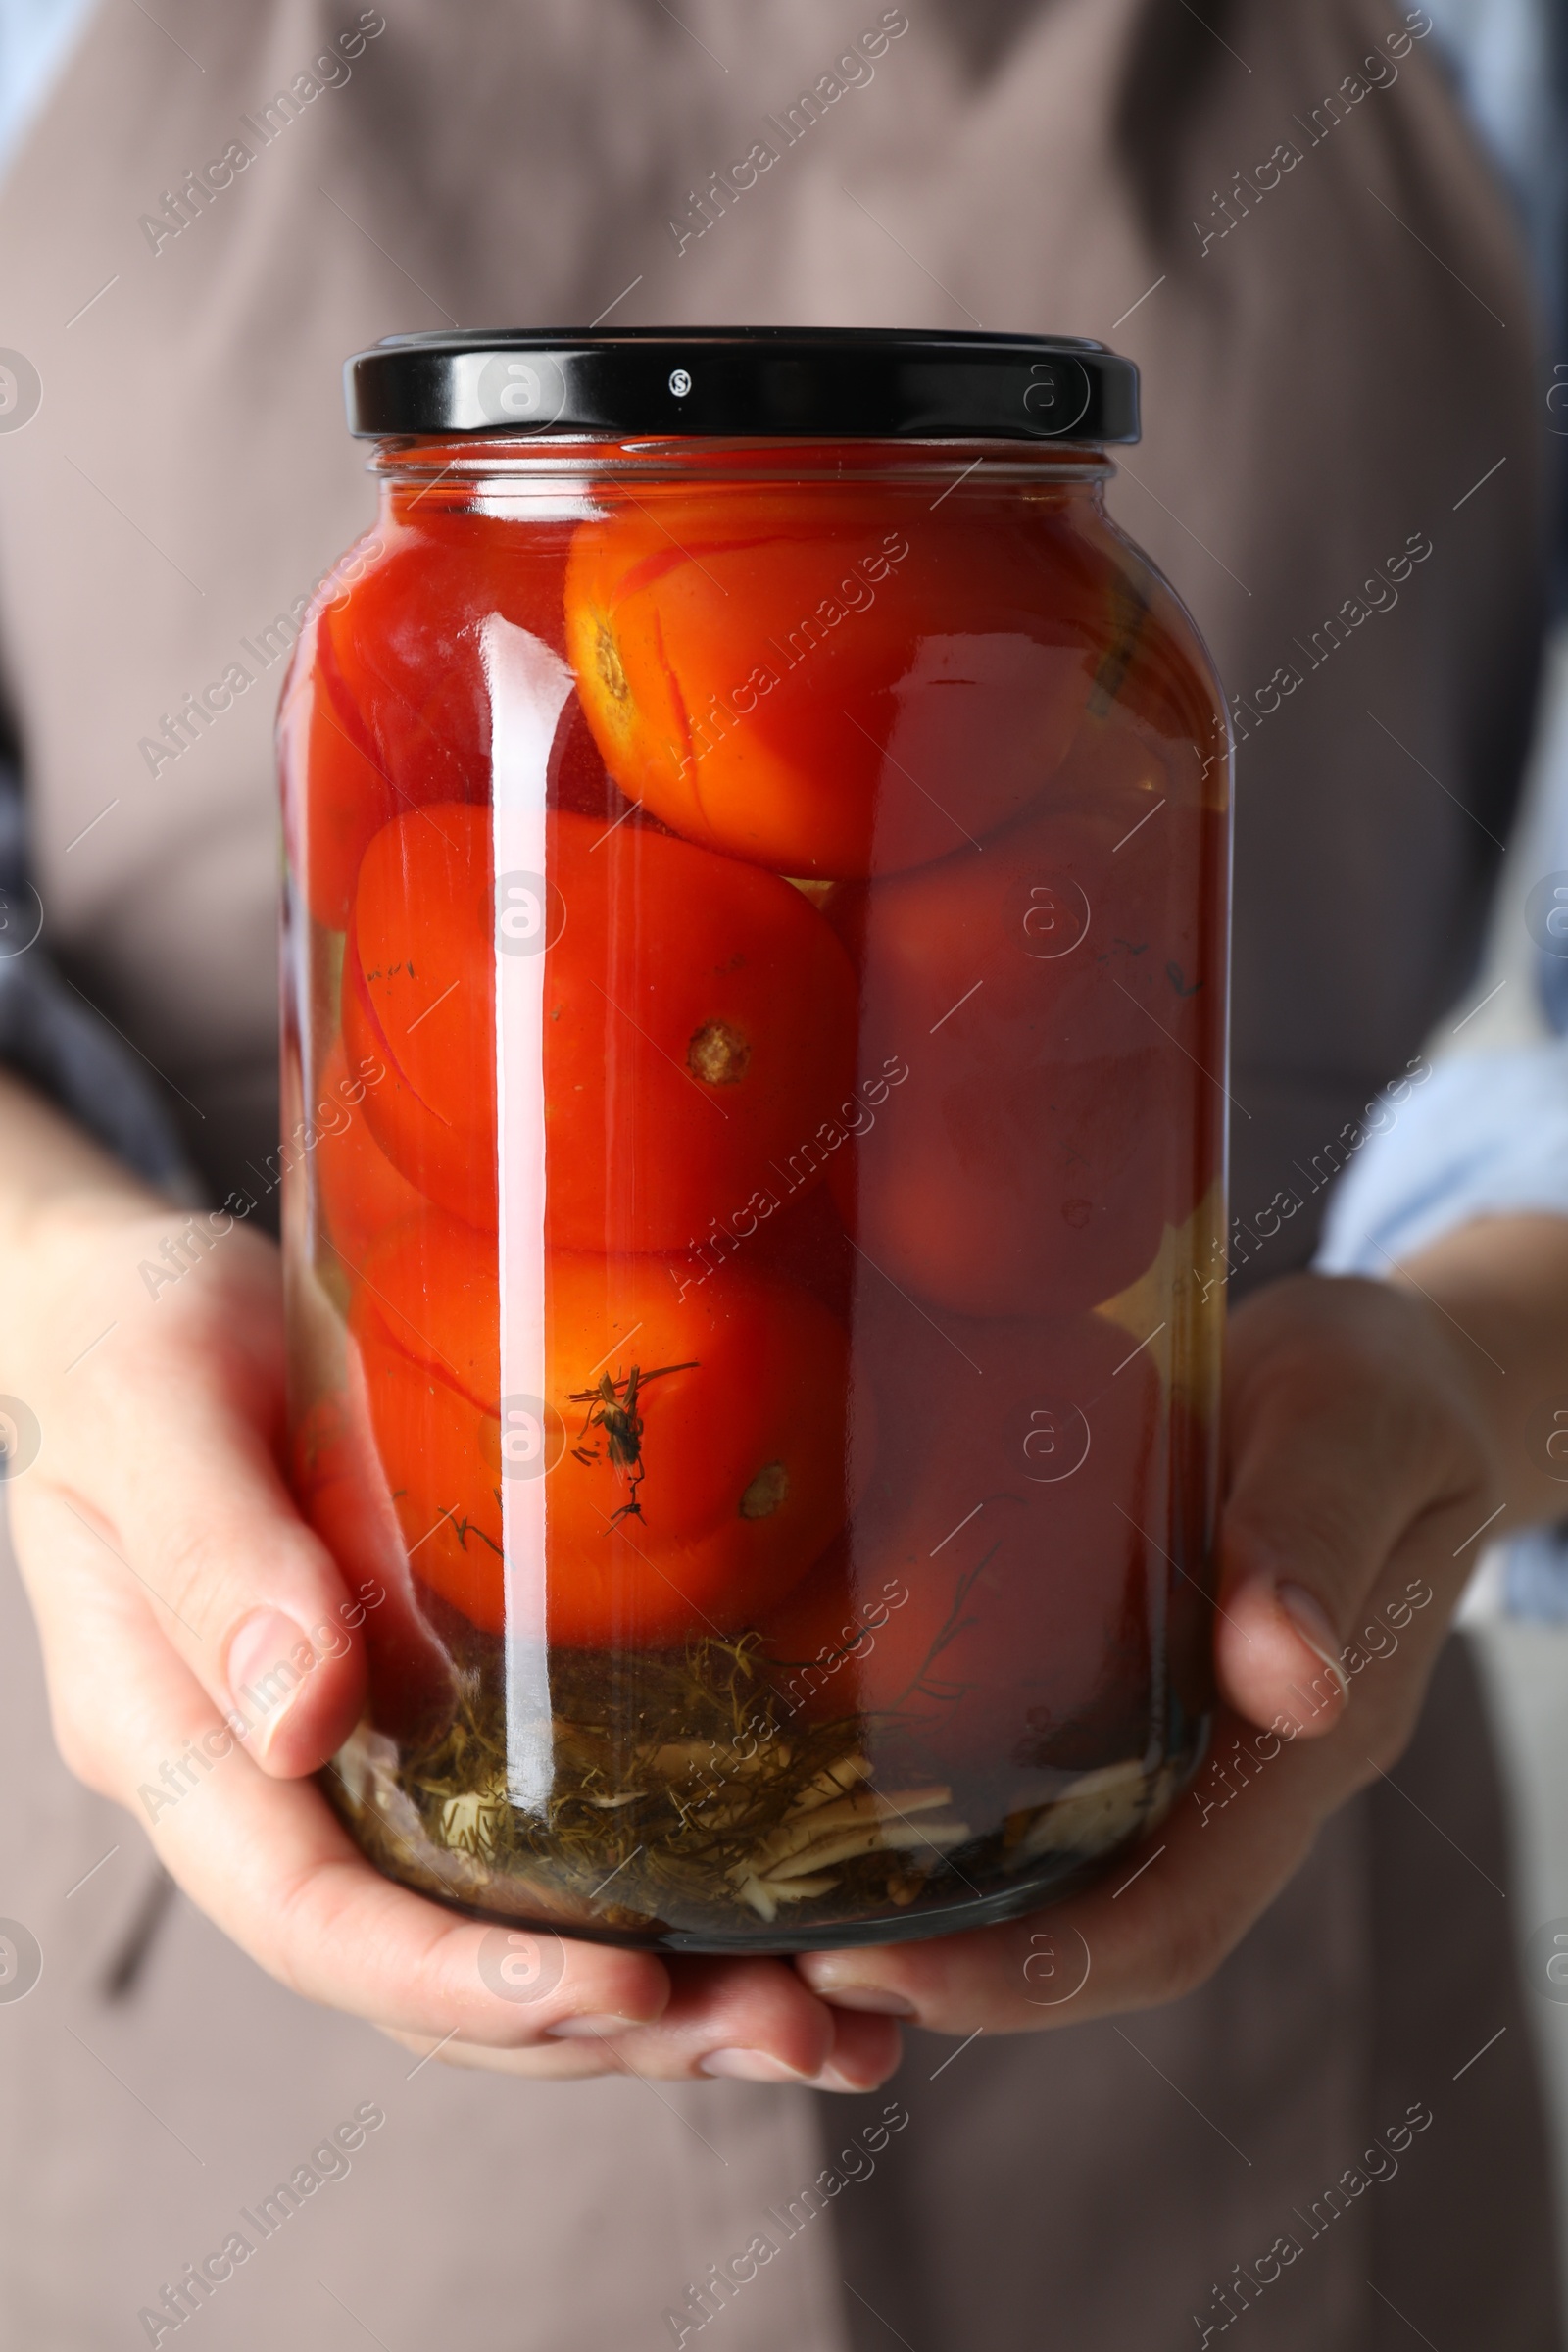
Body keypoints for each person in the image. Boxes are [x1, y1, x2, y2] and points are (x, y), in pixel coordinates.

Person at [0, 1, 1562, 2345]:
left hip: (1225, 1992)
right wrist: (49, 1292)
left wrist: (1474, 1367)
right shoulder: (433, 619)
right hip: (259, 2005)